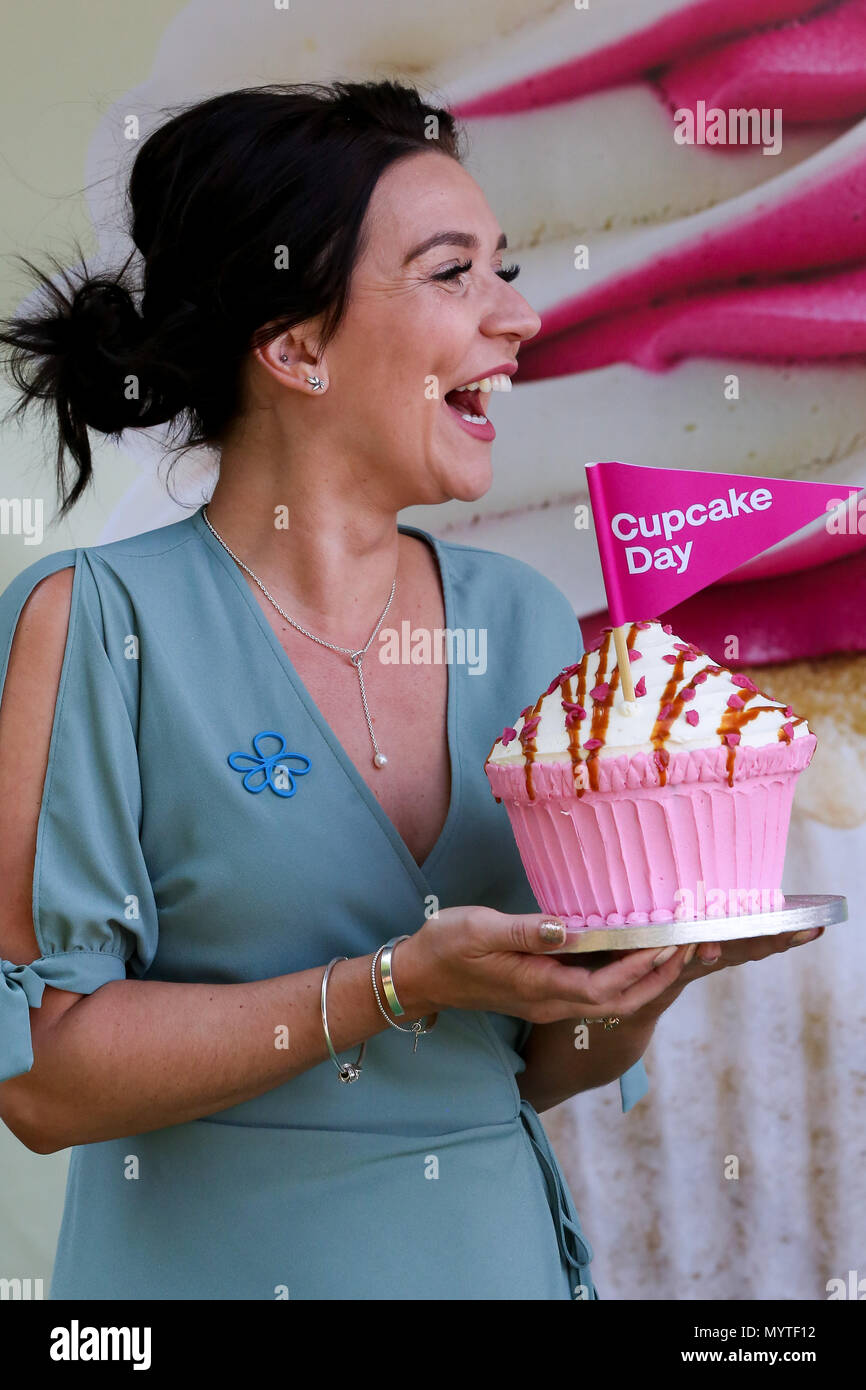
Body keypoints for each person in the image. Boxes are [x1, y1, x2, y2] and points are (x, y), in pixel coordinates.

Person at [0, 79, 824, 1301]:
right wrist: (398, 982)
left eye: (505, 268)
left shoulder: (522, 620)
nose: (521, 317)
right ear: (295, 345)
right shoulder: (94, 625)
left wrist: (656, 970)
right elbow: (44, 1081)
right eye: (454, 274)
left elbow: (538, 1062)